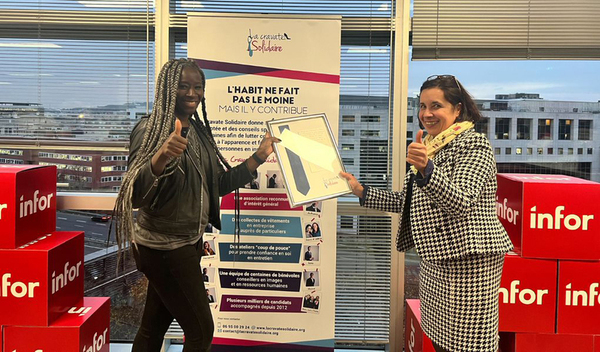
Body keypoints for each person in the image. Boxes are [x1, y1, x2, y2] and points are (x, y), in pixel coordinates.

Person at [112, 58, 279, 352]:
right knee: (201, 331)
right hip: (164, 248)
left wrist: (258, 157)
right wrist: (160, 157)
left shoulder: (198, 132)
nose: (192, 93)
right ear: (167, 88)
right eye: (184, 86)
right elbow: (135, 196)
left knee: (152, 330)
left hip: (187, 243)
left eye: (198, 87)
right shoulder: (150, 129)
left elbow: (217, 185)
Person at [341, 75, 513, 352]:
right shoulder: (433, 145)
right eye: (422, 106)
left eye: (436, 105)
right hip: (436, 260)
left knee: (469, 345)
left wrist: (427, 170)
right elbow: (410, 202)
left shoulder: (475, 145)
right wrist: (362, 191)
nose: (426, 114)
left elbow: (461, 201)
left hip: (468, 263)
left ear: (457, 109)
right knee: (442, 342)